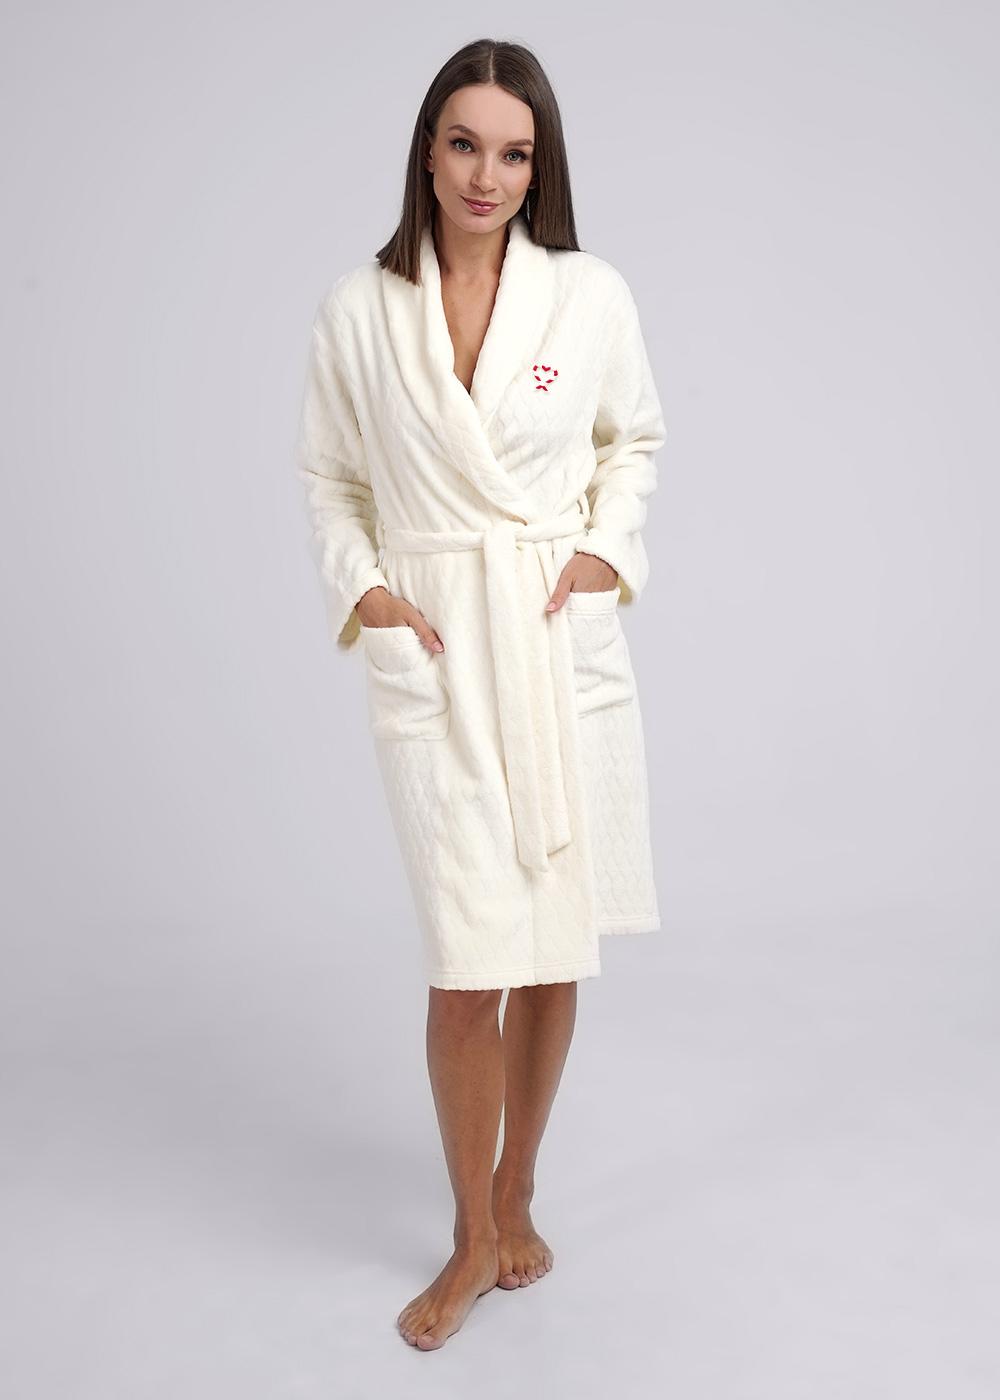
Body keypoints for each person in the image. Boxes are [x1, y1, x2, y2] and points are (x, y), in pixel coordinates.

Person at [295, 38, 666, 1350]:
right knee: (468, 960)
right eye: (464, 144)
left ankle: (517, 1192)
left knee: (553, 939)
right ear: (427, 149)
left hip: (554, 636)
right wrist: (372, 594)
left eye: (514, 153)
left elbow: (634, 442)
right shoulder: (362, 309)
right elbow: (332, 478)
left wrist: (602, 554)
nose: (485, 176)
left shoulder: (587, 296)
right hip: (442, 642)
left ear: (539, 166)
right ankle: (468, 1236)